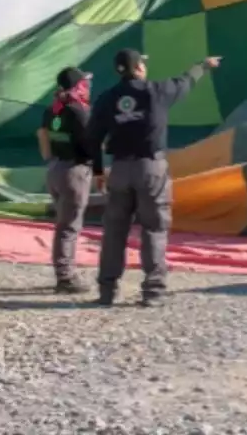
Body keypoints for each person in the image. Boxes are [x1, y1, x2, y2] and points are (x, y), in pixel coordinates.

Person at [87, 49, 221, 307]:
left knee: (114, 232)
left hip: (119, 170)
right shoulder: (157, 90)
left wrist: (98, 171)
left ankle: (107, 291)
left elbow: (92, 139)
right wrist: (202, 66)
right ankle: (153, 291)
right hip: (151, 169)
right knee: (154, 228)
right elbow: (186, 81)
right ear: (138, 67)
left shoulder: (106, 99)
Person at [38, 66, 95, 294]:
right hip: (75, 171)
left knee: (63, 225)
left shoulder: (52, 110)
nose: (88, 87)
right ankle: (66, 277)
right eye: (85, 83)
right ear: (78, 86)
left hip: (55, 169)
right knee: (69, 227)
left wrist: (51, 160)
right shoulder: (79, 112)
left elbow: (43, 138)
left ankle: (65, 273)